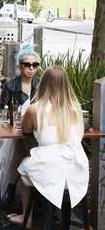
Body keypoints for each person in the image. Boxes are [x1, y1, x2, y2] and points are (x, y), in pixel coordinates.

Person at [8, 65, 89, 227]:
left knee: (24, 167)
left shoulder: (35, 109)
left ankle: (27, 217)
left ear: (43, 83)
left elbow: (25, 129)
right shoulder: (76, 108)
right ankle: (61, 214)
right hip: (77, 170)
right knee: (44, 165)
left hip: (50, 168)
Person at [0, 44, 40, 204]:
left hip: (35, 131)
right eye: (27, 65)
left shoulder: (40, 85)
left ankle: (12, 185)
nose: (31, 68)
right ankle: (23, 191)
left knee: (22, 143)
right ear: (19, 66)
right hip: (13, 130)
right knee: (19, 142)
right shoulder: (10, 85)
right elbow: (3, 110)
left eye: (35, 65)